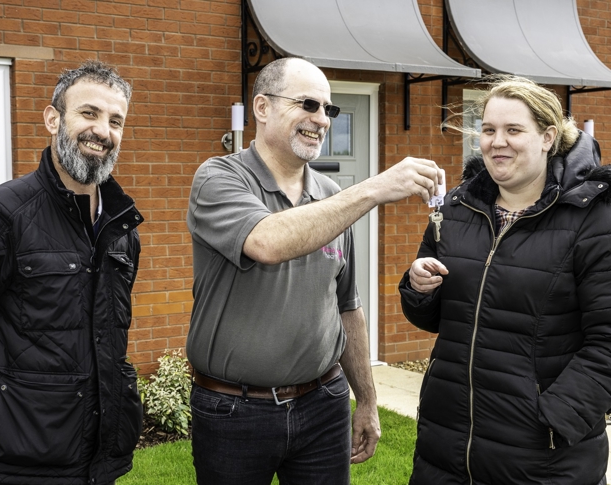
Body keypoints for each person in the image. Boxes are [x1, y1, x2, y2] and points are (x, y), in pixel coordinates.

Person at [186, 56, 444, 485]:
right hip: (233, 410)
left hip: (323, 403)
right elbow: (268, 241)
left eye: (329, 109)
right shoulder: (218, 178)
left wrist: (366, 399)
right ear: (263, 107)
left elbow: (347, 306)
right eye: (308, 104)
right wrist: (376, 188)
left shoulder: (330, 195)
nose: (321, 119)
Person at [399, 75, 611, 485]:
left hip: (542, 459)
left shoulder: (593, 218)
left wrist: (555, 418)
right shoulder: (458, 208)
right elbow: (439, 319)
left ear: (548, 136)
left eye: (514, 130)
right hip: (448, 446)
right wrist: (418, 288)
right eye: (489, 130)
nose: (498, 142)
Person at [0, 60, 144, 485]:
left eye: (115, 120)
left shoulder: (121, 227)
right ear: (53, 119)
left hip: (99, 456)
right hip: (19, 459)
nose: (103, 131)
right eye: (89, 113)